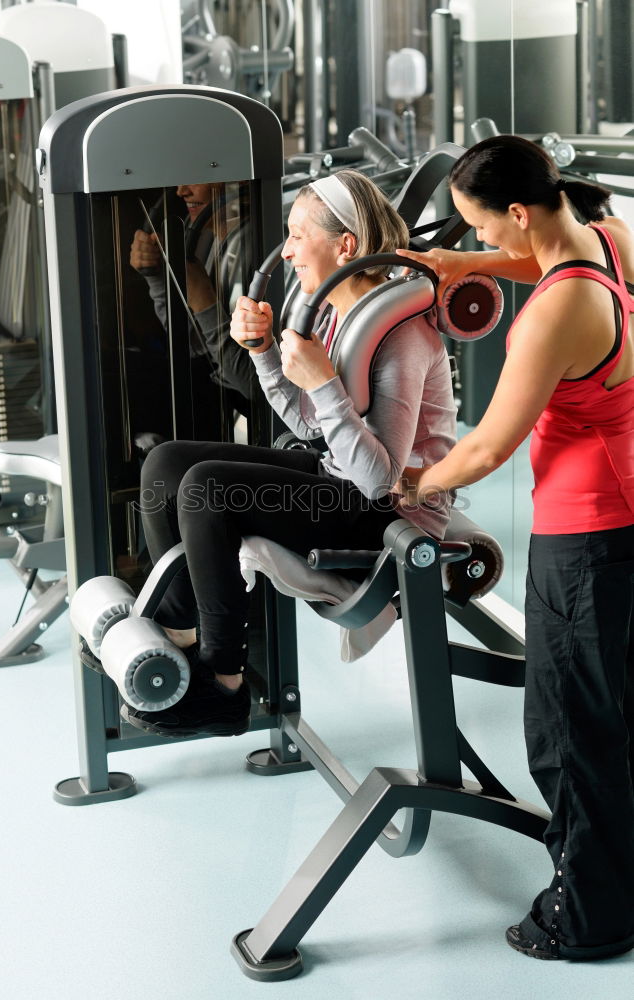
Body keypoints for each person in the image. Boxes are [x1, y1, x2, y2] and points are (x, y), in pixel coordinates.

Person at [395, 134, 634, 962]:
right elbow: (539, 262)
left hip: (586, 538)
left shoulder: (557, 314)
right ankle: (619, 881)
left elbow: (488, 447)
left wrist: (412, 485)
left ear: (521, 212)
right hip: (623, 516)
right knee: (614, 717)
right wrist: (465, 268)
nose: (482, 243)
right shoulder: (605, 242)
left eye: (483, 230)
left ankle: (590, 916)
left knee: (567, 730)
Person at [121, 168, 457, 740]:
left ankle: (225, 684)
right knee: (167, 465)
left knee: (207, 487)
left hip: (394, 512)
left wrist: (324, 384)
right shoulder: (334, 313)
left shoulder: (401, 334)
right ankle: (179, 636)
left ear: (344, 246)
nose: (289, 249)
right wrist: (262, 353)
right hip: (341, 476)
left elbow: (380, 480)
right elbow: (310, 424)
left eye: (299, 235)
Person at [130, 181, 258, 422]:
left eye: (196, 178)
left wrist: (206, 304)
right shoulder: (202, 238)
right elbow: (192, 344)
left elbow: (256, 387)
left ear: (237, 182)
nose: (181, 191)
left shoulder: (257, 244)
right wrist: (155, 277)